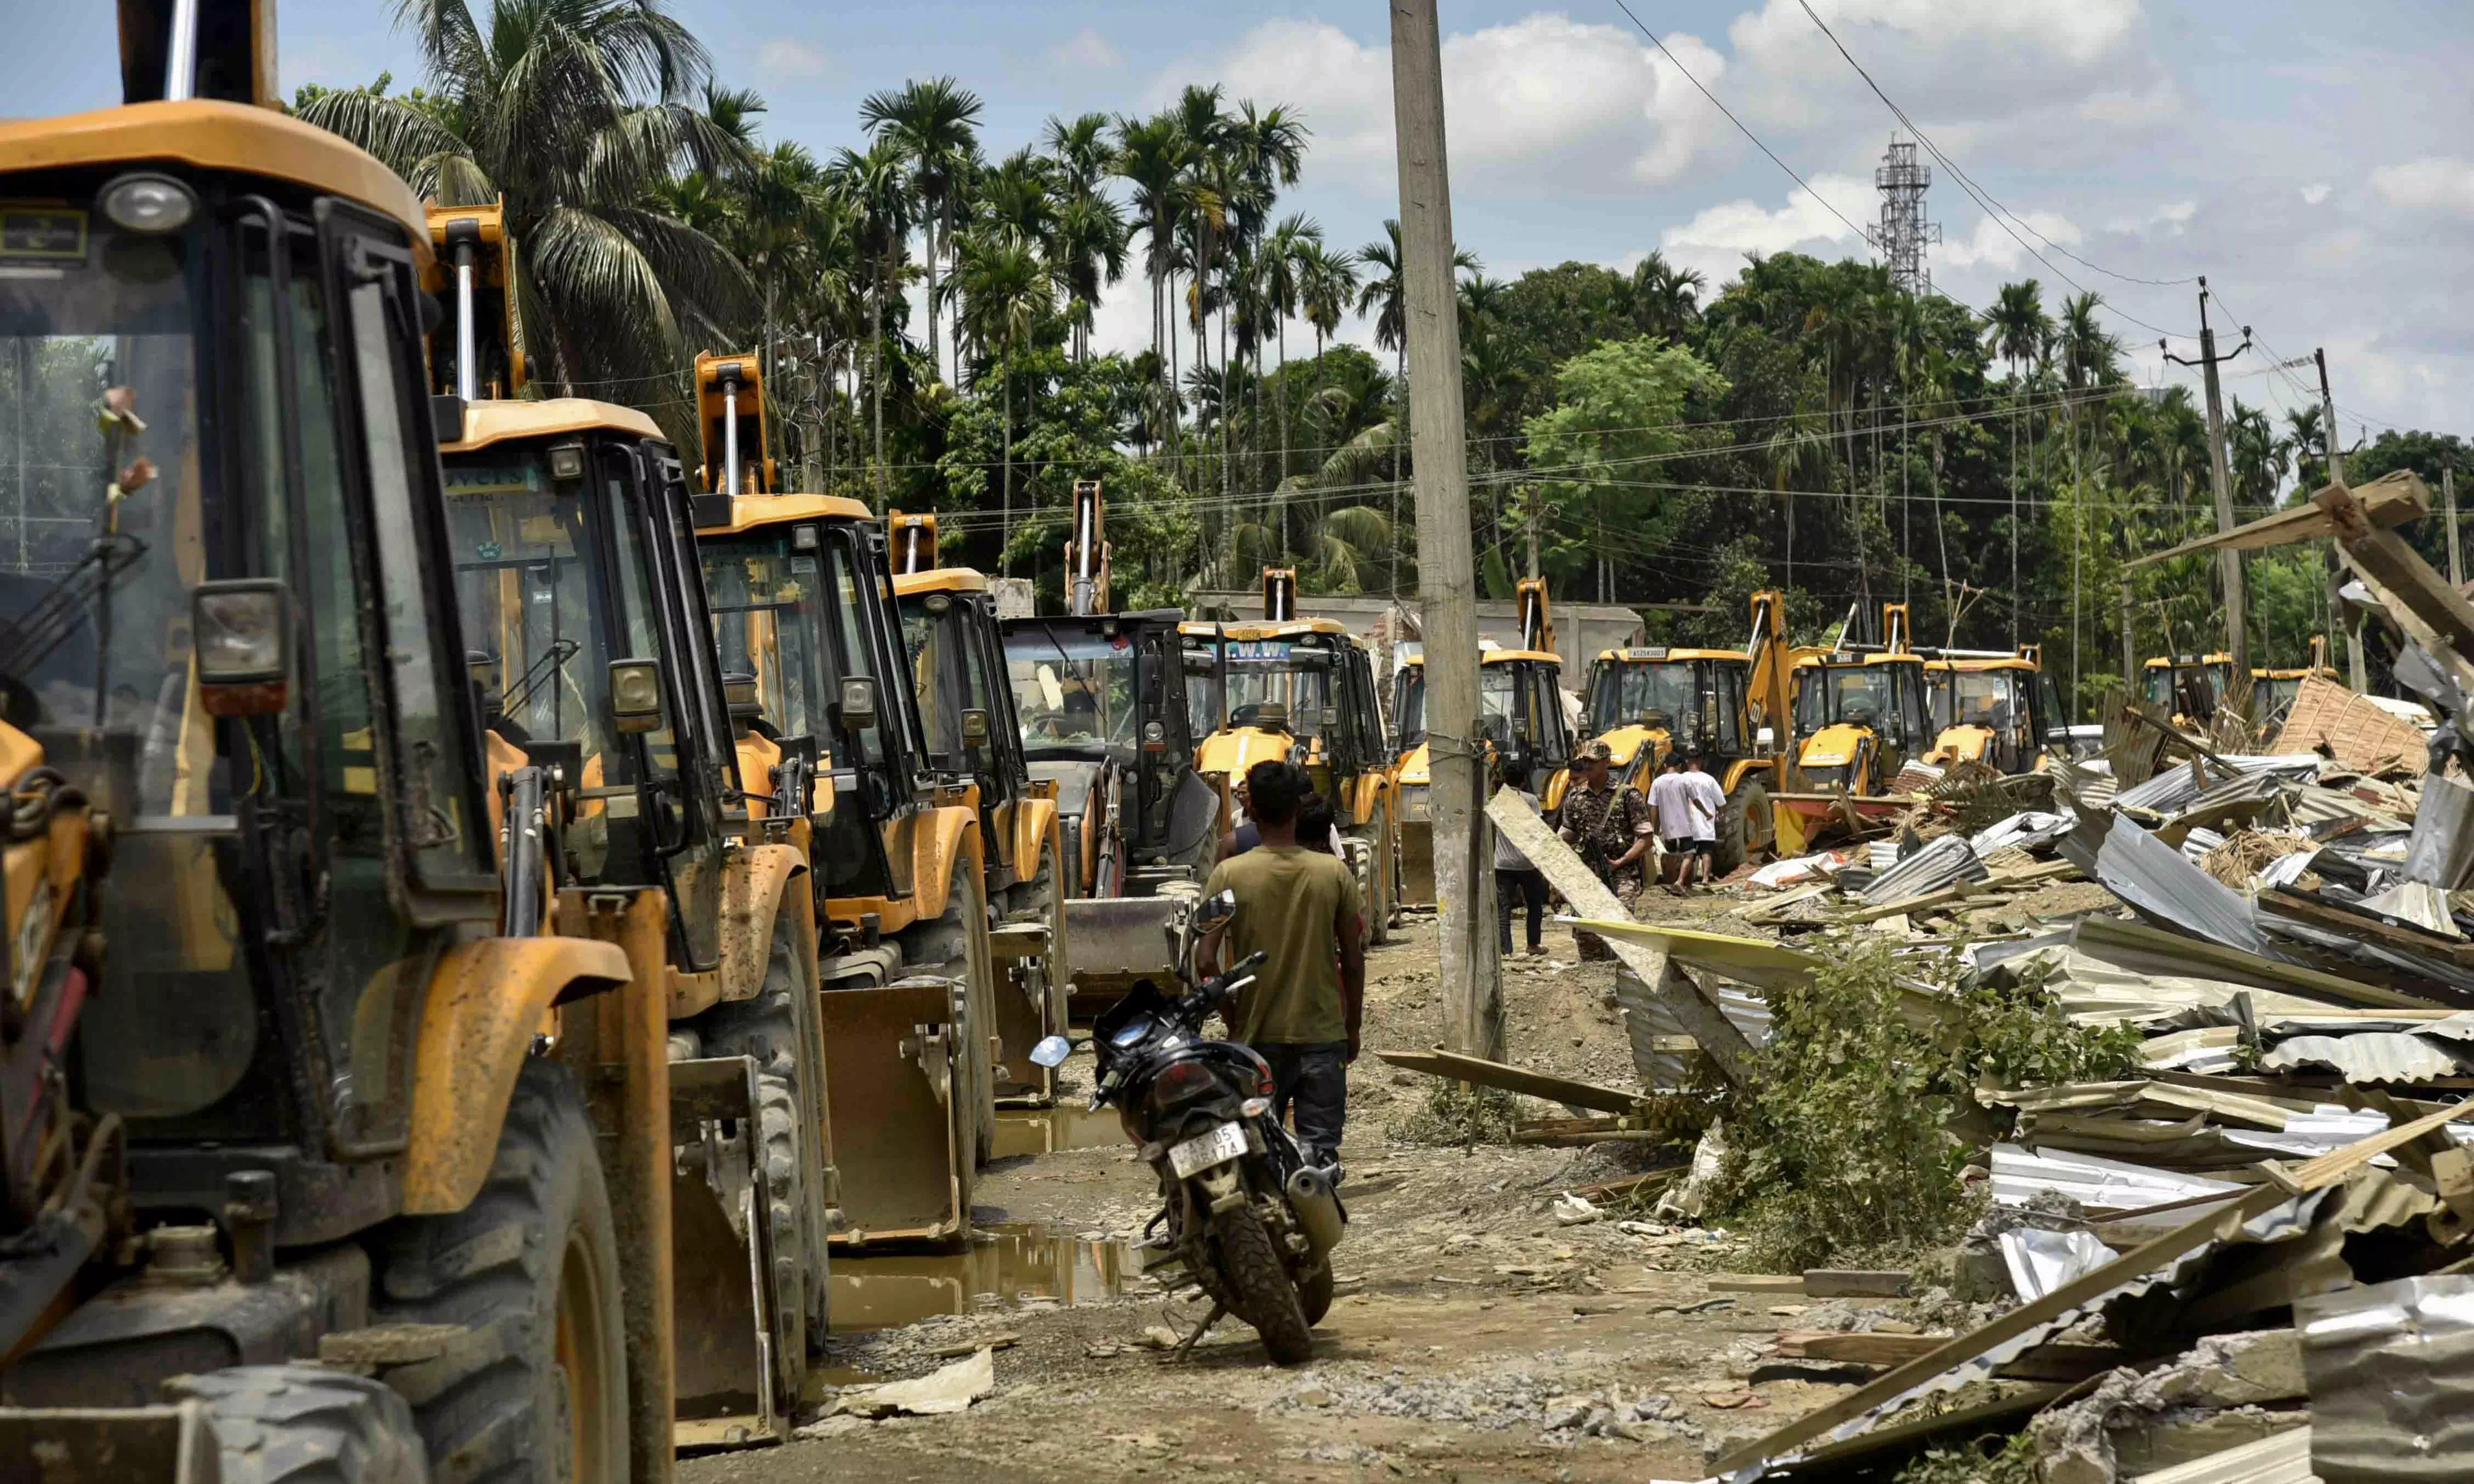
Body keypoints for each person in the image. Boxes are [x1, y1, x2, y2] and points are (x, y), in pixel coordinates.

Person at [1199, 761, 1364, 1171]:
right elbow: (1355, 958)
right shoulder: (1334, 875)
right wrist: (1353, 1026)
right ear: (1297, 808)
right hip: (1323, 1037)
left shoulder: (1228, 874)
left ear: (1251, 809)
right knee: (1320, 1159)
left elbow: (1204, 960)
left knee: (1260, 1159)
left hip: (1257, 1042)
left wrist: (1234, 1018)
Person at [1553, 738, 1653, 960]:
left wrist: (1620, 862)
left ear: (1607, 762)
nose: (1587, 766)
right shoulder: (1575, 798)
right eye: (1585, 761)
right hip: (1589, 871)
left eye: (1593, 761)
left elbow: (1646, 838)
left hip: (1622, 870)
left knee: (1622, 919)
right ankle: (1594, 973)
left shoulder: (1628, 795)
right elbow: (1567, 834)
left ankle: (1623, 966)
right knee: (1586, 930)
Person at [1492, 755, 1548, 957]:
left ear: (1505, 778)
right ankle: (1533, 945)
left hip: (1503, 864)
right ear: (1524, 781)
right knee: (1534, 905)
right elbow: (1537, 828)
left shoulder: (1498, 800)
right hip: (1526, 864)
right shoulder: (1531, 800)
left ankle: (1506, 951)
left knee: (1503, 910)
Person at [1646, 752, 1702, 893]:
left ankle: (1672, 882)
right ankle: (1680, 881)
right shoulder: (1684, 780)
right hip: (1685, 826)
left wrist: (1653, 827)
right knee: (1689, 854)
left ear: (1665, 765)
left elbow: (1653, 806)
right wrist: (1706, 812)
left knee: (1670, 855)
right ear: (1680, 766)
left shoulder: (1657, 782)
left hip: (1668, 827)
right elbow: (1695, 800)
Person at [1682, 753, 1729, 887]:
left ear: (1687, 761)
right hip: (1705, 822)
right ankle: (1705, 879)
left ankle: (1685, 880)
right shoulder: (1709, 780)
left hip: (1686, 823)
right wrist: (1722, 817)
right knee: (1706, 852)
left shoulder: (1681, 779)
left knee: (1688, 854)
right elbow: (1721, 802)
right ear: (1701, 761)